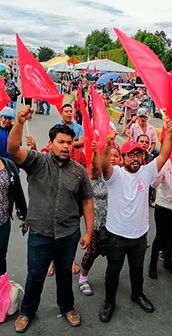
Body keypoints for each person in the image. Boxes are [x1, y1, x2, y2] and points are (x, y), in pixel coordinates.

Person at [7, 106, 94, 333]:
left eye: (69, 142)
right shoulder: (37, 161)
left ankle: (67, 307)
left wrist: (88, 231)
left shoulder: (79, 171)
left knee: (65, 275)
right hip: (40, 234)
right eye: (61, 142)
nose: (66, 146)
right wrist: (18, 122)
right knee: (35, 275)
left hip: (68, 234)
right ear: (52, 143)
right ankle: (27, 311)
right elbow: (13, 149)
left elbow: (87, 202)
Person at [99, 116, 172, 323]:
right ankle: (109, 301)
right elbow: (103, 165)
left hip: (139, 235)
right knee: (113, 270)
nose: (135, 159)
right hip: (116, 235)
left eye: (139, 155)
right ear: (122, 158)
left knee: (137, 269)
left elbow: (165, 153)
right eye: (131, 155)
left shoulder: (147, 172)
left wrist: (168, 132)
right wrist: (107, 144)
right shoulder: (115, 175)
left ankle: (137, 294)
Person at [79, 140, 121, 295]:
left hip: (115, 224)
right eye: (109, 155)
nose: (113, 158)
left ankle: (110, 281)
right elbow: (95, 166)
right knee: (93, 252)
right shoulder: (97, 174)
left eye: (116, 156)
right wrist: (97, 151)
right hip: (97, 223)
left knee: (114, 254)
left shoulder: (121, 175)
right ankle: (83, 278)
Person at [148, 155, 172, 279]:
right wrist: (160, 171)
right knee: (161, 236)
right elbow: (153, 183)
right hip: (163, 206)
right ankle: (152, 265)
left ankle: (167, 261)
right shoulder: (166, 163)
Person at [0, 156, 27, 275]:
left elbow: (18, 193)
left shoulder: (8, 165)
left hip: (3, 222)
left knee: (1, 257)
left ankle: (2, 288)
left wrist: (26, 216)